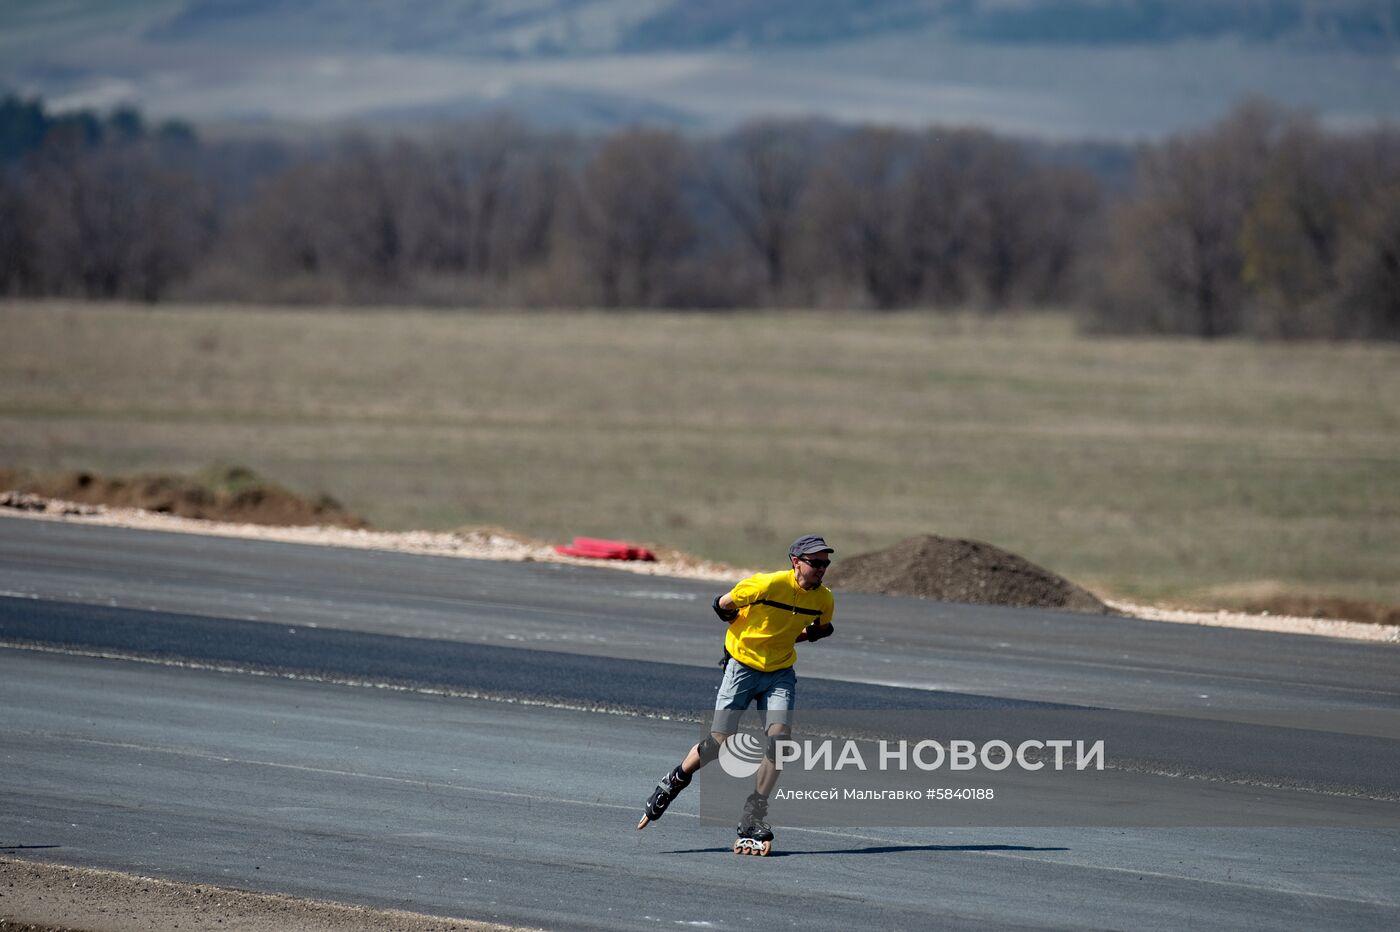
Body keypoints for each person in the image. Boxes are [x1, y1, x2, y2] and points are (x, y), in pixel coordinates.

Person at [636, 534, 836, 855]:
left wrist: (786, 640)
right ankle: (675, 779)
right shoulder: (765, 585)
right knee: (719, 743)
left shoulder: (824, 598)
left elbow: (822, 628)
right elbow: (722, 604)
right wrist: (742, 631)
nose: (822, 568)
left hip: (780, 672)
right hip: (741, 667)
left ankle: (753, 815)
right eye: (815, 562)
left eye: (825, 563)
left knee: (781, 740)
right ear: (796, 562)